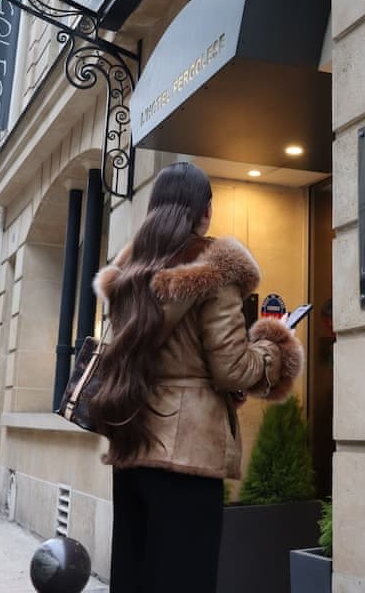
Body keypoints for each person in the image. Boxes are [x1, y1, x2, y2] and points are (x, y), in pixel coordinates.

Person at [91, 161, 303, 593]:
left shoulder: (132, 276)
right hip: (189, 453)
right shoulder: (214, 272)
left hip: (132, 445)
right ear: (205, 211)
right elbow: (233, 368)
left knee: (135, 577)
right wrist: (275, 345)